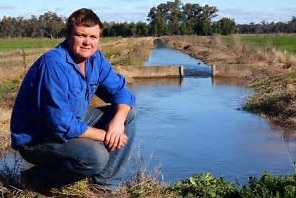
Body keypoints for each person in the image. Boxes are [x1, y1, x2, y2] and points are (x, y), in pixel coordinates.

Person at [10, 8, 136, 190]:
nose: (88, 42)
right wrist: (106, 136)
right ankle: (34, 179)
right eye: (81, 35)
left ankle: (103, 186)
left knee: (128, 114)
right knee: (96, 156)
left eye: (93, 37)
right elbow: (60, 123)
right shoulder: (54, 64)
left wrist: (117, 122)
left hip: (72, 120)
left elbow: (122, 92)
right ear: (68, 35)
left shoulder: (95, 59)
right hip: (38, 137)